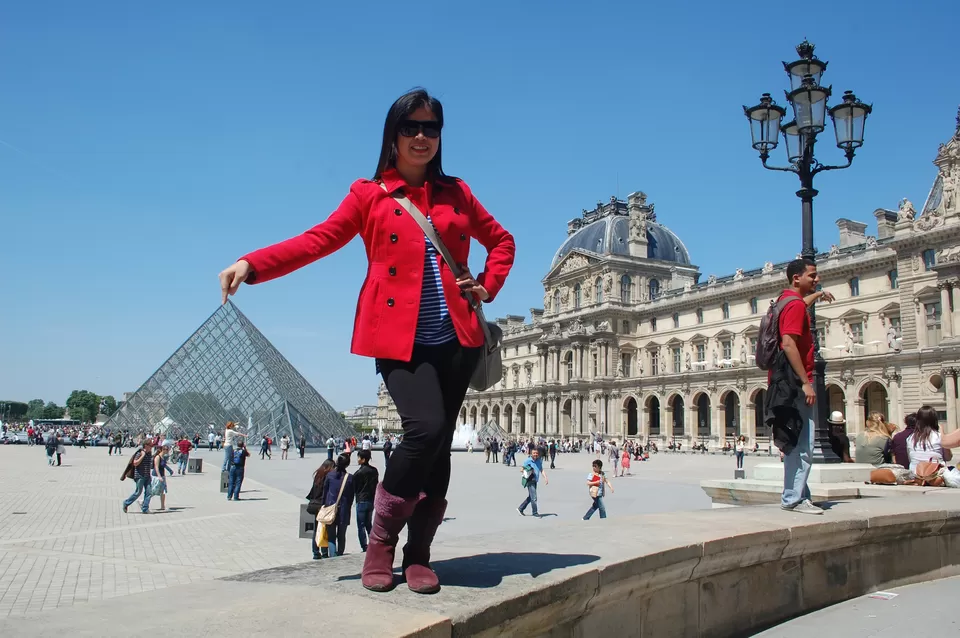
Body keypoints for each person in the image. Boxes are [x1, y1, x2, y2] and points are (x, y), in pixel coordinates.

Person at [218, 89, 514, 594]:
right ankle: (381, 542)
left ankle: (419, 553)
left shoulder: (457, 193)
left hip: (458, 339)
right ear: (393, 135)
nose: (422, 137)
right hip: (398, 340)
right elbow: (319, 239)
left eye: (432, 128)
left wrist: (488, 283)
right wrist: (254, 263)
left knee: (439, 449)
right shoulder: (368, 194)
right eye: (411, 127)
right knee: (426, 429)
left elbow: (503, 240)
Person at [767, 258, 834, 515]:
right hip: (794, 383)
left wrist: (817, 294)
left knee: (796, 440)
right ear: (797, 278)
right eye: (813, 276)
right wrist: (806, 383)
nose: (817, 279)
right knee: (802, 443)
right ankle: (793, 499)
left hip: (782, 381)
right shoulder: (793, 305)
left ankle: (799, 494)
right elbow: (788, 343)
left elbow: (799, 306)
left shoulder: (785, 301)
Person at [906, 405, 960, 471]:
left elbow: (911, 459)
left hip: (915, 474)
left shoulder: (909, 438)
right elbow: (948, 457)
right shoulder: (939, 436)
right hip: (935, 475)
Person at [322, 454, 356, 557]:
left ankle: (333, 557)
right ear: (347, 464)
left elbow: (325, 492)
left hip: (330, 509)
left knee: (331, 536)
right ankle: (340, 555)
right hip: (344, 510)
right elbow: (351, 496)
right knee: (341, 535)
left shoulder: (330, 475)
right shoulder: (350, 478)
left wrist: (324, 505)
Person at [306, 460, 335, 559]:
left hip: (314, 504)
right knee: (323, 529)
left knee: (316, 529)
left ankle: (315, 552)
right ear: (329, 467)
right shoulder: (327, 477)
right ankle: (324, 552)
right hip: (321, 506)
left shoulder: (318, 475)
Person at [353, 449, 380, 552]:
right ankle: (373, 543)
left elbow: (355, 488)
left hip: (361, 500)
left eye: (359, 457)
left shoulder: (358, 473)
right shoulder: (374, 470)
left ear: (363, 459)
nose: (358, 459)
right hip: (371, 500)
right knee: (369, 524)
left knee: (361, 525)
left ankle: (364, 546)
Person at [122, 440, 154, 514]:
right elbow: (135, 463)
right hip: (139, 476)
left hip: (147, 476)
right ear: (146, 445)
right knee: (138, 492)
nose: (152, 447)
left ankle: (145, 508)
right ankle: (126, 503)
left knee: (149, 492)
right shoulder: (139, 453)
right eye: (150, 446)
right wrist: (142, 456)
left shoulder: (149, 453)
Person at [517, 448, 548, 517]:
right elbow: (521, 469)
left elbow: (541, 469)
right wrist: (528, 470)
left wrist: (545, 478)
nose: (535, 454)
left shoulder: (539, 461)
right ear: (531, 453)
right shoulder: (528, 460)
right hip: (530, 480)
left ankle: (520, 508)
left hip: (535, 480)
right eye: (534, 453)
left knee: (531, 496)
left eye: (536, 453)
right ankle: (535, 512)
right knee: (534, 497)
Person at [153, 445, 170, 511]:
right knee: (153, 491)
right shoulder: (158, 457)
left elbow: (164, 466)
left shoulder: (163, 457)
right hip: (156, 476)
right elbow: (156, 467)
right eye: (167, 450)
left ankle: (162, 506)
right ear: (163, 450)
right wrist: (159, 476)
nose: (168, 451)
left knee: (163, 491)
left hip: (162, 476)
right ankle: (143, 501)